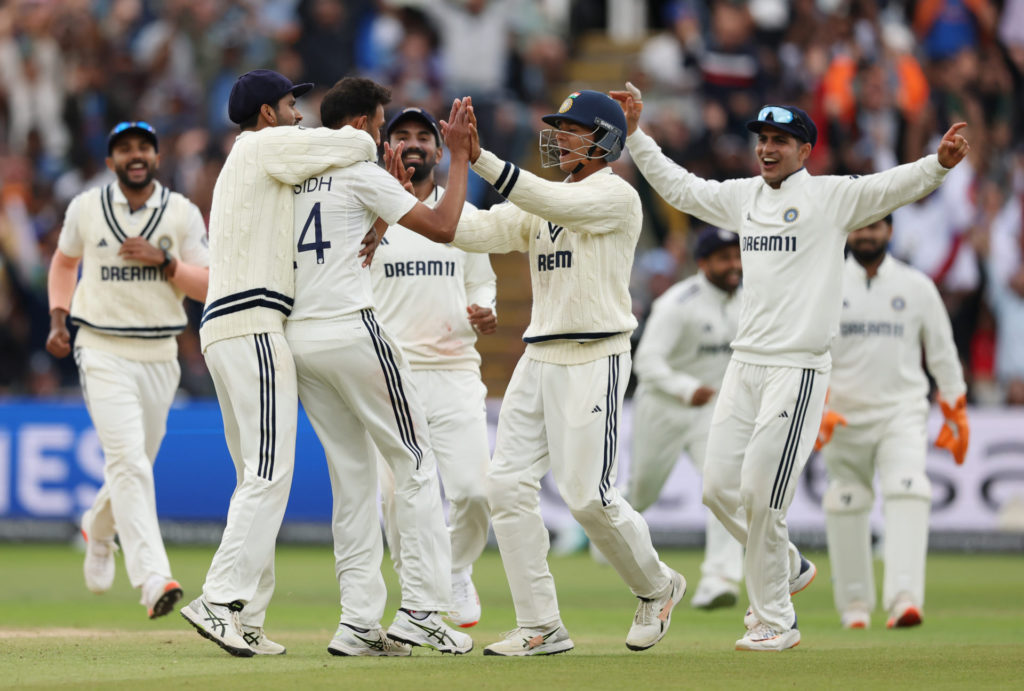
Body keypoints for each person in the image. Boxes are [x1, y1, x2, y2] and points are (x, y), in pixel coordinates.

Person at [611, 82, 970, 651]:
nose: (768, 149)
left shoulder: (831, 198)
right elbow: (682, 188)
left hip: (798, 369)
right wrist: (636, 135)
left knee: (761, 493)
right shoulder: (744, 197)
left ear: (806, 150)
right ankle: (793, 565)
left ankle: (774, 619)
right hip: (744, 365)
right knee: (717, 489)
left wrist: (938, 165)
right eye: (763, 139)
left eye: (781, 140)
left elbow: (890, 187)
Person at [445, 89, 686, 656]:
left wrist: (479, 158)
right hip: (539, 354)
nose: (560, 136)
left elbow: (554, 205)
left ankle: (656, 587)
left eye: (574, 128)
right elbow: (470, 231)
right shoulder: (547, 199)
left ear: (604, 138)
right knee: (504, 486)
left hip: (594, 353)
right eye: (558, 126)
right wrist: (412, 198)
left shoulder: (616, 196)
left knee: (587, 497)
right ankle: (541, 625)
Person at [181, 69, 380, 657]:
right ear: (267, 113)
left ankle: (246, 615)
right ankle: (220, 599)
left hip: (223, 325)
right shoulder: (267, 145)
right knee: (270, 472)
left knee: (255, 476)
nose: (301, 114)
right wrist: (364, 135)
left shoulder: (248, 158)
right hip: (254, 324)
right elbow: (356, 141)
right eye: (293, 104)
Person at [285, 77, 475, 656]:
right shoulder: (363, 172)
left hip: (301, 338)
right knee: (415, 463)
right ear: (365, 124)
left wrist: (384, 210)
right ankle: (422, 609)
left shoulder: (291, 177)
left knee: (353, 483)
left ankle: (358, 622)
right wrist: (461, 158)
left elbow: (345, 234)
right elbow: (444, 229)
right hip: (351, 326)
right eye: (382, 121)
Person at [46, 120, 209, 619]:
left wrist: (165, 263)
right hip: (100, 347)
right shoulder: (85, 208)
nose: (134, 156)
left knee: (135, 463)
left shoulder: (180, 212)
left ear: (157, 158)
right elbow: (62, 263)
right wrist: (58, 317)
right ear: (110, 161)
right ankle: (153, 578)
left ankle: (99, 528)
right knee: (130, 464)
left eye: (143, 147)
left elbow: (207, 286)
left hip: (160, 352)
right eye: (124, 149)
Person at [372, 106, 497, 630]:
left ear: (440, 150)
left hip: (453, 371)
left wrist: (485, 308)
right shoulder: (367, 212)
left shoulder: (458, 213)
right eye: (401, 136)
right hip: (388, 377)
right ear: (386, 148)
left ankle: (456, 570)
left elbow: (481, 280)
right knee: (398, 499)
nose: (414, 144)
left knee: (473, 491)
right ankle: (419, 593)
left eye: (424, 136)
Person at [815, 215, 968, 630]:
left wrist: (955, 407)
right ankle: (854, 607)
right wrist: (814, 406)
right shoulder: (824, 281)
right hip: (841, 417)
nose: (867, 235)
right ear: (848, 231)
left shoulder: (917, 286)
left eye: (876, 226)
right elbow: (808, 349)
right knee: (845, 499)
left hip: (901, 412)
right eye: (860, 227)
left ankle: (904, 600)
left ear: (890, 231)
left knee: (908, 488)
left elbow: (942, 353)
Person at [627, 226, 745, 610]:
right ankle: (610, 535)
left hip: (714, 410)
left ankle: (719, 578)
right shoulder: (678, 302)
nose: (734, 265)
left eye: (737, 256)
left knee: (723, 485)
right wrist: (684, 388)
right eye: (724, 258)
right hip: (664, 407)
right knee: (642, 492)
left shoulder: (753, 301)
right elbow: (646, 361)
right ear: (703, 263)